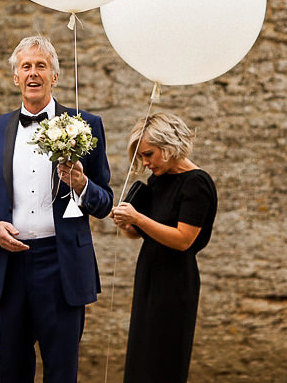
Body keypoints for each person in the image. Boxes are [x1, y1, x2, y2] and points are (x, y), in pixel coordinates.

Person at [0, 35, 114, 383]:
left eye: (41, 66)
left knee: (62, 372)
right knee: (12, 371)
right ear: (16, 77)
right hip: (10, 265)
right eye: (26, 66)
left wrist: (81, 184)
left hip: (62, 265)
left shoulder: (86, 124)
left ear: (55, 76)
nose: (33, 73)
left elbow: (105, 202)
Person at [110, 112, 218, 383]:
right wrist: (127, 225)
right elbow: (142, 233)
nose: (145, 164)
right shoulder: (159, 180)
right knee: (141, 356)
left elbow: (183, 240)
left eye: (149, 154)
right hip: (149, 272)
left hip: (176, 280)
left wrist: (138, 218)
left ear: (169, 146)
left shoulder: (197, 183)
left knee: (164, 360)